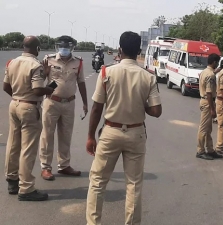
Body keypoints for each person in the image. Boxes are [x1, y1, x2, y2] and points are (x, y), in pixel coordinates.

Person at [86, 31, 162, 225]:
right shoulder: (148, 77)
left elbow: (96, 108)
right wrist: (140, 103)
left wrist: (90, 136)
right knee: (134, 185)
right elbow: (156, 110)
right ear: (139, 51)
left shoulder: (106, 72)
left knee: (97, 182)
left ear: (119, 50)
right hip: (136, 134)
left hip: (110, 132)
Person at [3, 36, 54, 201]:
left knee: (13, 145)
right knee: (28, 149)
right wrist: (50, 89)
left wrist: (18, 98)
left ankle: (12, 180)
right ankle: (26, 188)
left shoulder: (12, 62)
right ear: (37, 49)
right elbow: (38, 90)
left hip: (15, 104)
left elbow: (5, 86)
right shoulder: (35, 65)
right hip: (29, 108)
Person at [39, 35, 88, 181]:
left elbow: (81, 83)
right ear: (57, 46)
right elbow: (39, 80)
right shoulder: (49, 59)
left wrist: (85, 103)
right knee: (47, 135)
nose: (64, 49)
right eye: (62, 46)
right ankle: (46, 167)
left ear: (72, 48)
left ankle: (64, 165)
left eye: (67, 47)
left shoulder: (78, 62)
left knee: (66, 135)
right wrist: (45, 73)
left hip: (69, 103)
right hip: (52, 102)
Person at [196, 53, 223, 160]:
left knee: (208, 128)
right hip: (208, 102)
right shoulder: (210, 75)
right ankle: (200, 150)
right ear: (214, 62)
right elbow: (209, 93)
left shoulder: (205, 72)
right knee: (203, 128)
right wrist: (212, 109)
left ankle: (210, 149)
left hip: (204, 101)